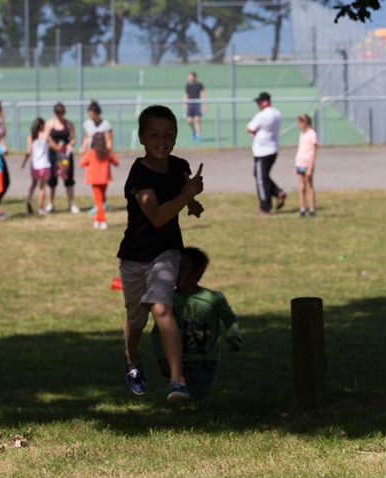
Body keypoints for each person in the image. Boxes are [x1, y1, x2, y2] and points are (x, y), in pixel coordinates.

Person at [117, 104, 206, 403]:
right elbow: (155, 216)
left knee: (161, 308)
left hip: (167, 252)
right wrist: (187, 196)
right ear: (141, 137)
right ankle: (131, 360)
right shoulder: (138, 174)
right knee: (137, 318)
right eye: (154, 134)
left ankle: (177, 381)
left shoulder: (180, 165)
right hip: (134, 255)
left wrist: (191, 204)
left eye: (168, 134)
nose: (161, 140)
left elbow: (181, 196)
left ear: (176, 136)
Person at [152, 247, 241, 401]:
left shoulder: (213, 298)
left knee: (197, 397)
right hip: (177, 360)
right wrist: (161, 358)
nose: (177, 272)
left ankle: (190, 418)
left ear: (198, 271)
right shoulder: (168, 299)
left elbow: (229, 319)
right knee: (181, 395)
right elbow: (158, 331)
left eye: (183, 268)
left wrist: (234, 336)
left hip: (204, 361)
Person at [245, 91, 285, 214]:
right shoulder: (277, 113)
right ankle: (277, 192)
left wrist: (254, 132)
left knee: (261, 179)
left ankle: (265, 207)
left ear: (265, 102)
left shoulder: (262, 115)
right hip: (273, 148)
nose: (258, 104)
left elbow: (249, 128)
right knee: (261, 175)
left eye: (259, 102)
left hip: (262, 151)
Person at [45, 102, 80, 213]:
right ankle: (50, 203)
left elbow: (73, 138)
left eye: (62, 113)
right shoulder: (50, 123)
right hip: (53, 155)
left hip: (65, 156)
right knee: (52, 179)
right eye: (58, 113)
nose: (60, 115)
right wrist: (56, 147)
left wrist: (69, 145)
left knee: (68, 178)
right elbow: (47, 139)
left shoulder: (68, 124)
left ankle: (71, 203)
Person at [80, 132, 119, 230]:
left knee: (99, 202)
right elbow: (116, 162)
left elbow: (82, 163)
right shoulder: (107, 152)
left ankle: (102, 221)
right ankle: (97, 221)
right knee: (100, 200)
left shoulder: (91, 152)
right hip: (104, 180)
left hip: (94, 180)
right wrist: (111, 150)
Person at [21, 117, 52, 214]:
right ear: (42, 126)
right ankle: (40, 208)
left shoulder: (31, 137)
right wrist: (60, 148)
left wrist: (24, 163)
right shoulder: (45, 136)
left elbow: (28, 151)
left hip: (34, 165)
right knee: (42, 187)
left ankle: (29, 199)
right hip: (44, 164)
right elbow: (53, 146)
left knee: (33, 184)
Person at [294, 113, 318, 218]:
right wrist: (295, 165)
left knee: (309, 187)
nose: (299, 124)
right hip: (299, 163)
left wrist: (310, 166)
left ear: (306, 122)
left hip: (307, 164)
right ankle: (302, 208)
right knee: (301, 187)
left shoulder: (312, 134)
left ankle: (312, 209)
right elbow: (300, 150)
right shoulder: (302, 134)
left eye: (300, 122)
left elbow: (313, 151)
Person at [183, 72, 206, 143]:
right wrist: (185, 104)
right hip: (190, 105)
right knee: (189, 121)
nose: (190, 78)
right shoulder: (187, 85)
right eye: (189, 76)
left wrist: (205, 105)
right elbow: (186, 95)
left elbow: (203, 95)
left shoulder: (199, 85)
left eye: (191, 76)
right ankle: (194, 132)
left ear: (194, 77)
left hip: (197, 105)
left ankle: (198, 136)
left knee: (197, 120)